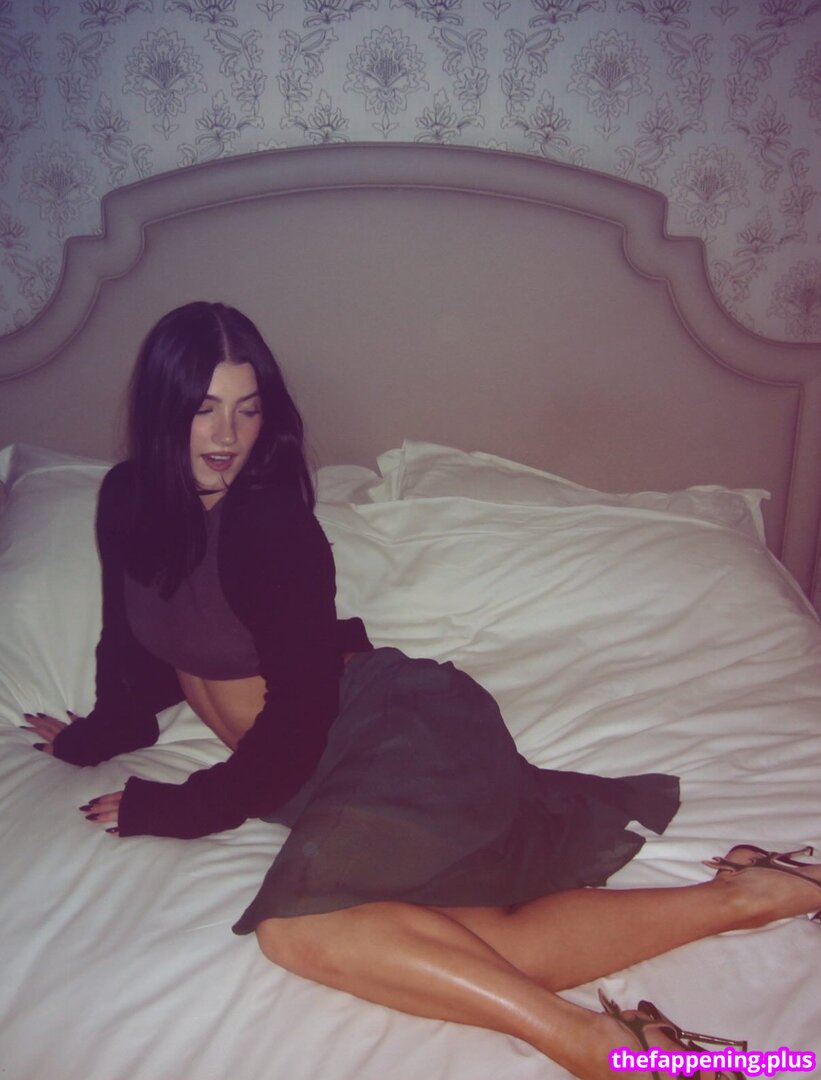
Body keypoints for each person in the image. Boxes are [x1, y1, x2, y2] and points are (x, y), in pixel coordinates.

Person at [22, 302, 821, 1080]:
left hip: (389, 729)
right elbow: (126, 638)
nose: (228, 436)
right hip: (313, 773)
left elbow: (298, 718)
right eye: (204, 409)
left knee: (298, 933)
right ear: (164, 408)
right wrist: (101, 733)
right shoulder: (126, 499)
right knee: (465, 940)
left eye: (248, 409)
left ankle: (592, 1047)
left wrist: (182, 806)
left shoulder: (271, 524)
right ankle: (749, 895)